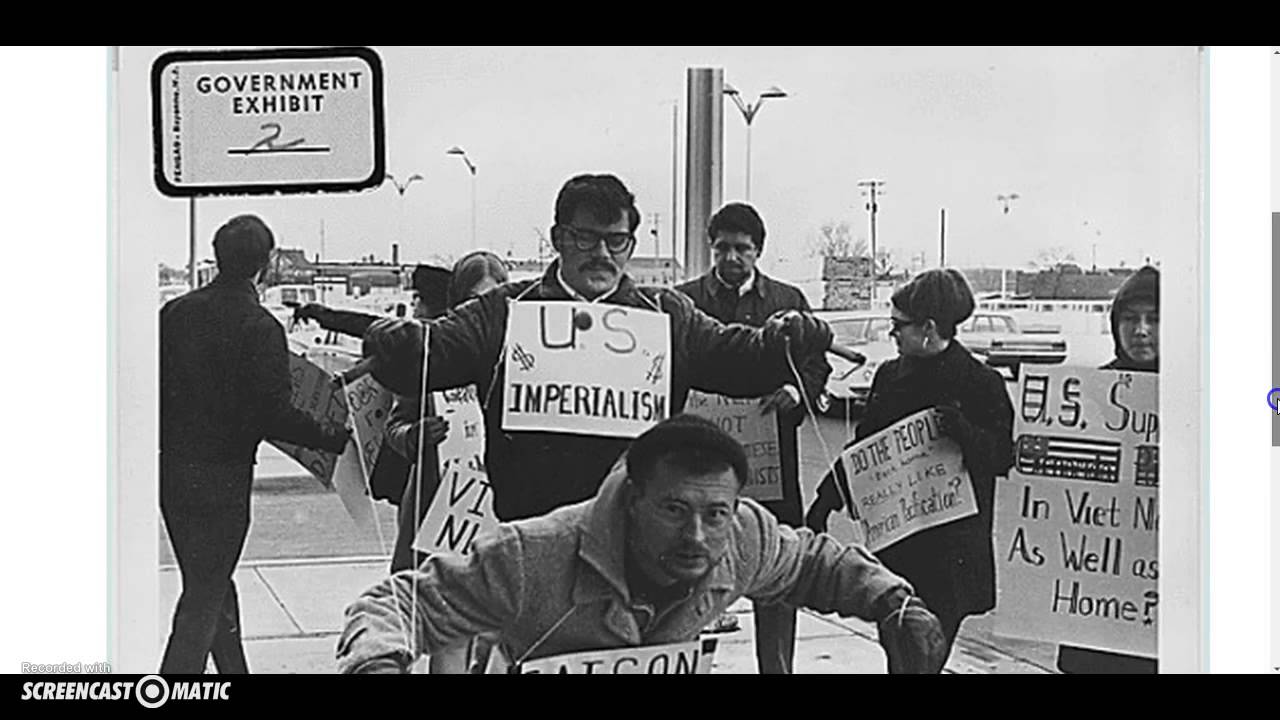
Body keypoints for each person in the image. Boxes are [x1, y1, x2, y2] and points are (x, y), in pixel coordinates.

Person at [360, 173, 835, 525]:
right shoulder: (505, 310)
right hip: (532, 530)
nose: (602, 254)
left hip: (637, 533)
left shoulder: (668, 315)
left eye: (616, 241)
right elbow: (432, 353)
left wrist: (787, 339)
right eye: (585, 238)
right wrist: (392, 340)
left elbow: (743, 360)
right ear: (558, 239)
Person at [336, 414, 948, 674]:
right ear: (633, 500)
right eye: (675, 510)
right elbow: (391, 604)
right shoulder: (530, 556)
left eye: (716, 512)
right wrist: (377, 660)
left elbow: (816, 563)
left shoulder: (745, 537)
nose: (698, 536)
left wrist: (894, 602)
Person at [159, 215, 350, 673]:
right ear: (264, 266)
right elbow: (273, 414)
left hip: (171, 474)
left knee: (211, 584)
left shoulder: (174, 313)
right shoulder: (260, 327)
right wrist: (332, 438)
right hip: (223, 481)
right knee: (204, 598)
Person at [804, 268, 1014, 672]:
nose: (892, 334)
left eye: (898, 325)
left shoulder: (980, 382)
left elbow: (1002, 456)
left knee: (923, 658)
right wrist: (826, 499)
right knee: (899, 652)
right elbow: (865, 451)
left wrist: (963, 429)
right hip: (899, 542)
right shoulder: (889, 375)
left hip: (951, 549)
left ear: (928, 328)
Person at [674, 202, 830, 671]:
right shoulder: (685, 303)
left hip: (770, 465)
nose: (731, 258)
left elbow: (815, 365)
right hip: (699, 466)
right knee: (688, 572)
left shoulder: (788, 300)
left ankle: (776, 667)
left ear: (758, 251)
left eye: (742, 249)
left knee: (777, 569)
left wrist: (794, 391)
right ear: (710, 249)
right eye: (722, 247)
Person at [1057, 265, 1159, 674]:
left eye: (1154, 319)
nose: (1141, 330)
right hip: (1098, 590)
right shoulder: (1090, 393)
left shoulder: (1200, 391)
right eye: (1130, 319)